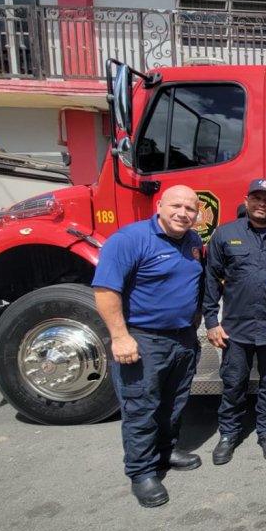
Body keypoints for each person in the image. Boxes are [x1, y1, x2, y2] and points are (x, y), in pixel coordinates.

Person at [92, 185, 205, 508]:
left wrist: (195, 314)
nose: (183, 213)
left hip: (182, 338)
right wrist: (120, 336)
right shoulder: (129, 240)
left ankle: (166, 452)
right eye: (176, 206)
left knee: (174, 402)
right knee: (141, 407)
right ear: (159, 205)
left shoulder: (193, 242)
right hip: (143, 339)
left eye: (190, 209)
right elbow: (105, 290)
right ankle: (141, 472)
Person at [203, 178, 266, 465]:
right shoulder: (225, 234)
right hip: (235, 329)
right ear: (246, 200)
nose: (261, 204)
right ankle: (228, 434)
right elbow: (211, 279)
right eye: (256, 198)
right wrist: (210, 321)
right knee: (233, 384)